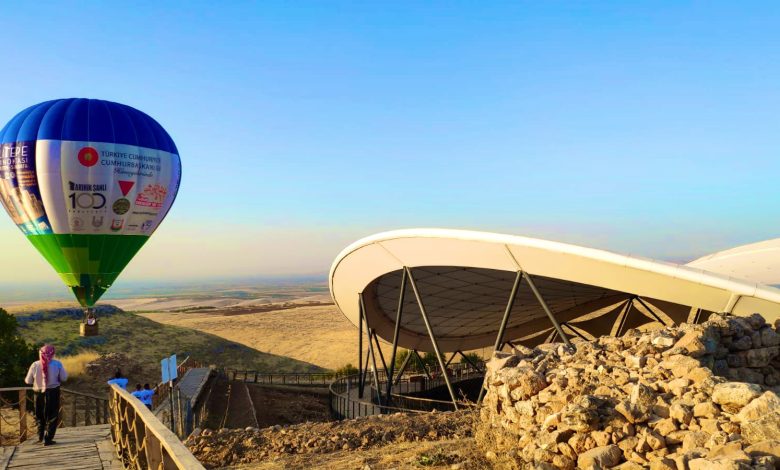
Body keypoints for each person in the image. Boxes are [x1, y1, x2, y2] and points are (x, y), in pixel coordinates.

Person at [24, 344, 67, 446]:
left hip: (38, 393)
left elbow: (28, 381)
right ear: (53, 354)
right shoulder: (57, 364)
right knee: (52, 416)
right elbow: (64, 378)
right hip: (53, 392)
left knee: (39, 415)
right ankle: (48, 439)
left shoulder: (35, 365)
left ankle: (40, 437)